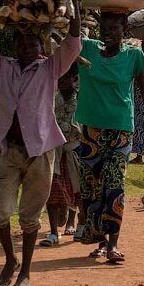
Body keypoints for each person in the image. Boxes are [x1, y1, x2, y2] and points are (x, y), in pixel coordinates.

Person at [0, 0, 82, 286]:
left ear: (41, 45)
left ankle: (25, 271)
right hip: (8, 150)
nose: (26, 47)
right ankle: (9, 258)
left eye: (32, 42)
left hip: (40, 152)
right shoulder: (2, 66)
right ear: (14, 44)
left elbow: (73, 43)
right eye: (21, 42)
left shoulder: (49, 69)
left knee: (30, 217)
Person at [76, 12, 144, 263]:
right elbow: (72, 32)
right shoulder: (86, 48)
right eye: (105, 29)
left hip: (120, 130)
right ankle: (100, 240)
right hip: (90, 130)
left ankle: (113, 245)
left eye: (114, 29)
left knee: (115, 185)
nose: (109, 33)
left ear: (124, 31)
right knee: (91, 187)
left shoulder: (133, 56)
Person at [43, 64, 82, 246]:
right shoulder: (51, 97)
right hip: (54, 149)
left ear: (75, 79)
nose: (63, 81)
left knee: (78, 189)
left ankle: (76, 222)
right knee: (54, 189)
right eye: (61, 77)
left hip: (74, 148)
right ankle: (52, 232)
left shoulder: (83, 98)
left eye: (67, 77)